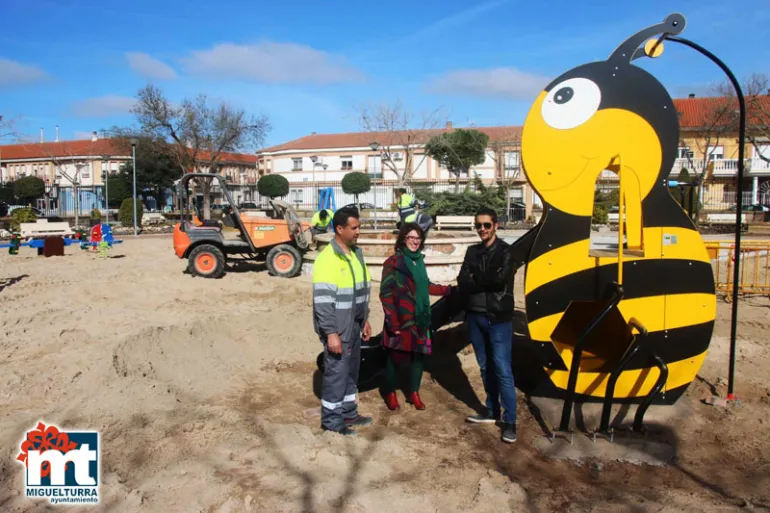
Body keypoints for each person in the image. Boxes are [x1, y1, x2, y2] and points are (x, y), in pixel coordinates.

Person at [457, 207, 518, 443]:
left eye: (486, 225)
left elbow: (499, 280)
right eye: (478, 225)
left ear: (496, 226)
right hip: (475, 316)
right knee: (484, 366)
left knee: (502, 369)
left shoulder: (506, 251)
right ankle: (493, 410)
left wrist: (476, 278)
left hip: (498, 317)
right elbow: (462, 281)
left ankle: (510, 421)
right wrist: (481, 279)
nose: (482, 229)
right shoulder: (472, 251)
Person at [312, 207, 374, 436]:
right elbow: (323, 301)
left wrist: (364, 319)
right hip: (338, 329)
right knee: (336, 374)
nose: (358, 231)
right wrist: (330, 333)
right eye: (354, 227)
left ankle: (349, 412)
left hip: (354, 326)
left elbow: (360, 291)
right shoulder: (328, 259)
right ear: (339, 229)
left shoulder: (355, 254)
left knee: (350, 373)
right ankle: (332, 422)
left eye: (359, 227)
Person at [380, 222, 452, 411]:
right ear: (403, 239)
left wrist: (447, 290)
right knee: (394, 358)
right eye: (411, 237)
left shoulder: (419, 261)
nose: (415, 241)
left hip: (420, 318)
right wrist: (392, 321)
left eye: (418, 238)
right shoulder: (393, 263)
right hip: (400, 319)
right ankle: (390, 392)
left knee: (419, 358)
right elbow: (385, 294)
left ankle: (413, 392)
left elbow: (425, 286)